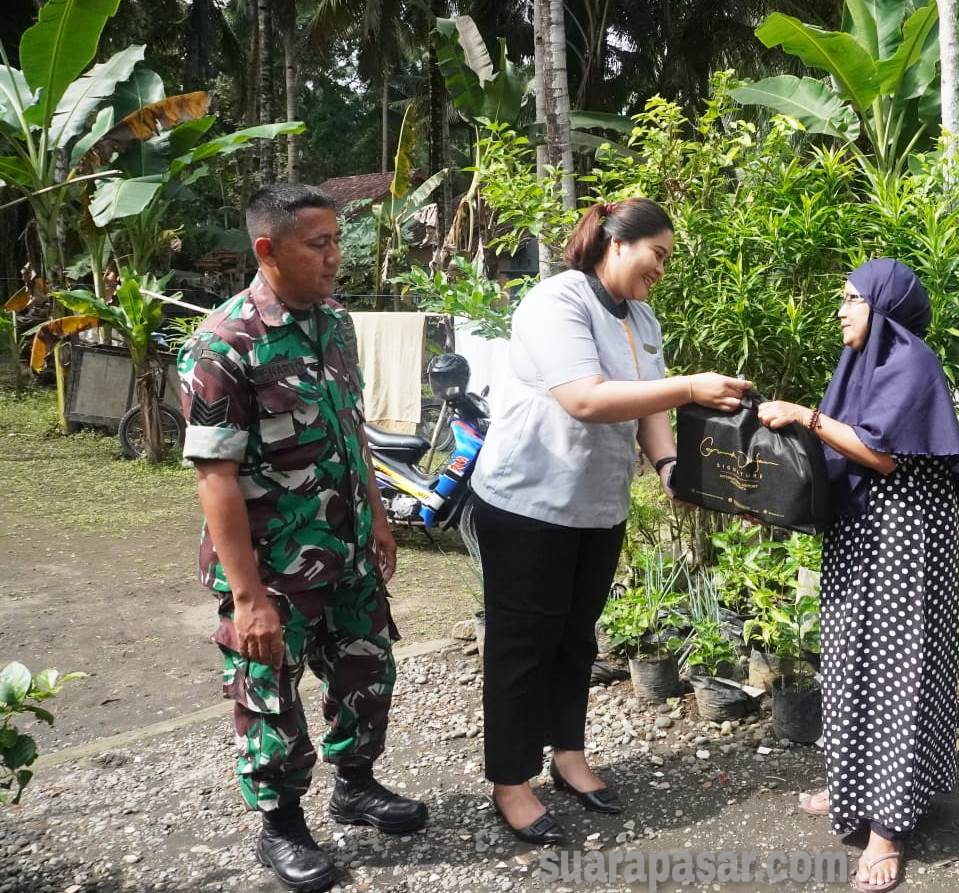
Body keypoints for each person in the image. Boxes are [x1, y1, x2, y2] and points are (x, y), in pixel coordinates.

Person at [468, 197, 751, 845]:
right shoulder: (558, 301)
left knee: (576, 639)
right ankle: (510, 781)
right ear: (618, 243)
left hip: (597, 507)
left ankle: (568, 755)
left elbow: (647, 406)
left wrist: (670, 467)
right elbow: (587, 397)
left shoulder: (642, 317)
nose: (663, 269)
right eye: (659, 254)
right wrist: (689, 387)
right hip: (527, 503)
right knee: (522, 645)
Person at [178, 184, 427, 893]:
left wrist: (378, 515)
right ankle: (281, 825)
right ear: (268, 250)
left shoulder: (336, 324)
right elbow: (216, 479)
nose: (333, 257)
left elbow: (352, 430)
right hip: (272, 566)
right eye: (318, 244)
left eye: (335, 242)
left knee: (366, 668)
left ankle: (355, 784)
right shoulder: (223, 344)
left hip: (345, 547)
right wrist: (249, 597)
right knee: (270, 694)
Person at [758, 258, 959, 893]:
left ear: (884, 305)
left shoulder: (911, 363)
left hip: (903, 546)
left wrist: (804, 414)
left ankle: (887, 829)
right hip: (861, 540)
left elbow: (877, 452)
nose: (842, 310)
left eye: (853, 298)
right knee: (851, 660)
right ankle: (851, 785)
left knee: (897, 672)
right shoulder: (859, 365)